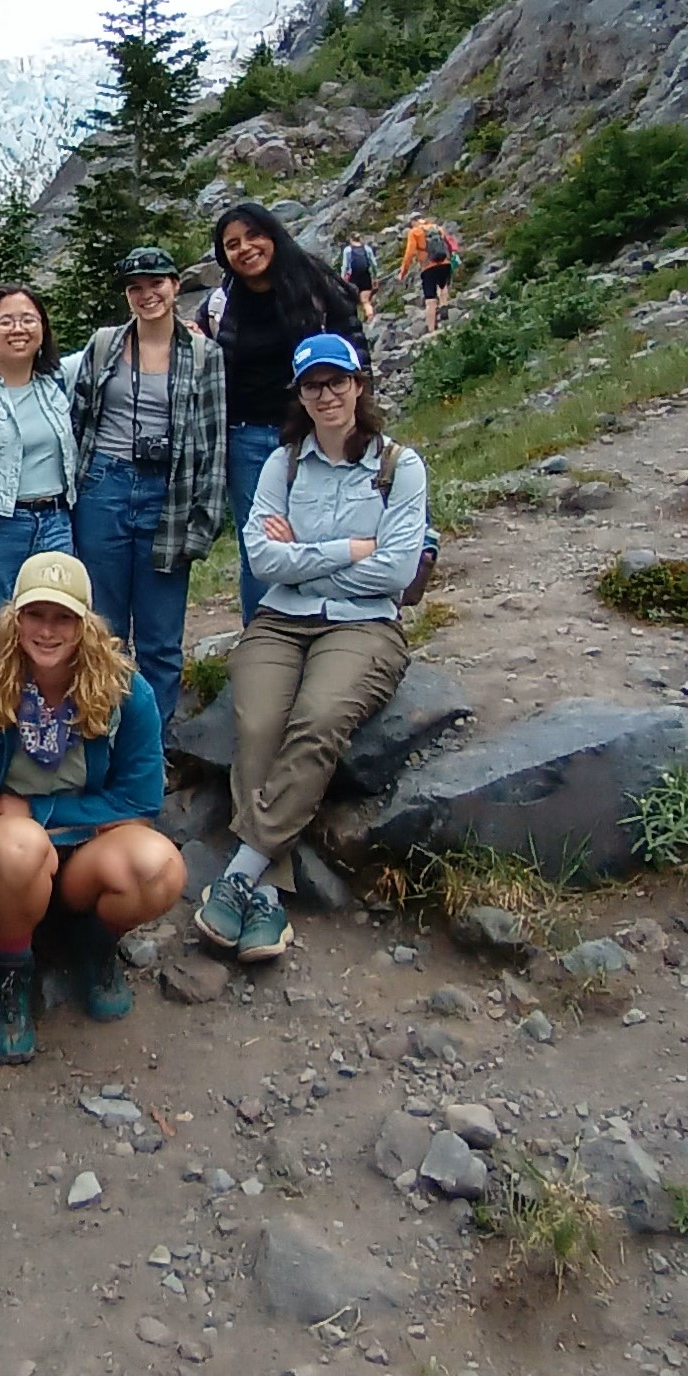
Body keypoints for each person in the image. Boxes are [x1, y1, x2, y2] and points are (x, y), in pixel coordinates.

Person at [194, 334, 427, 966]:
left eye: (337, 381)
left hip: (364, 627)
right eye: (313, 385)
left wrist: (304, 559)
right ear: (299, 394)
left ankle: (242, 872)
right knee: (258, 722)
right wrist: (350, 549)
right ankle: (269, 895)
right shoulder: (283, 464)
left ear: (359, 385)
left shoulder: (399, 466)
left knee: (319, 720)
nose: (327, 395)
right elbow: (263, 561)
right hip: (280, 619)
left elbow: (397, 572)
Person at [0, 552, 185, 1069]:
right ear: (16, 617)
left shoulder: (126, 692)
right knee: (20, 844)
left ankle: (93, 945)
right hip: (1, 850)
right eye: (35, 615)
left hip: (82, 854)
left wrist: (38, 808)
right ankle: (13, 973)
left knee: (161, 865)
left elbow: (141, 802)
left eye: (63, 618)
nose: (47, 631)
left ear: (86, 624)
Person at [69, 245, 227, 726]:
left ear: (175, 285)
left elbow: (214, 442)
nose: (146, 295)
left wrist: (204, 523)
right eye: (135, 288)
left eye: (155, 284)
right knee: (104, 629)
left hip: (168, 495)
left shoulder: (204, 354)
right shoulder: (103, 345)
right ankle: (103, 734)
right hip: (104, 487)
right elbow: (76, 419)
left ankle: (150, 748)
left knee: (160, 636)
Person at [195, 204, 364, 627]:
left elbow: (354, 349)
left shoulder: (314, 283)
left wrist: (356, 414)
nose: (245, 249)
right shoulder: (221, 303)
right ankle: (266, 635)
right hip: (247, 437)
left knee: (322, 530)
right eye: (232, 244)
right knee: (262, 545)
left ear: (273, 234)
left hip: (315, 430)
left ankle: (330, 625)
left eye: (253, 236)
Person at [0, 284, 78, 637]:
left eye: (28, 319)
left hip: (57, 521)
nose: (18, 329)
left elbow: (119, 348)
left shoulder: (60, 382)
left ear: (42, 329)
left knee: (54, 628)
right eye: (6, 321)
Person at [398, 215, 459, 335]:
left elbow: (409, 253)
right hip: (445, 263)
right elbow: (450, 243)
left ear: (414, 222)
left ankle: (432, 330)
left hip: (428, 267)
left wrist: (403, 272)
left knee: (430, 300)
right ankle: (445, 316)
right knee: (443, 288)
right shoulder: (437, 228)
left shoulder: (415, 232)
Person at [338, 233, 379, 328]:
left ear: (351, 240)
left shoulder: (348, 250)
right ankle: (370, 315)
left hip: (353, 278)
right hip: (366, 276)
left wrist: (342, 278)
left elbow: (345, 266)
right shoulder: (367, 248)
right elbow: (374, 264)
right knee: (365, 300)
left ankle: (356, 321)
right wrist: (375, 277)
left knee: (353, 301)